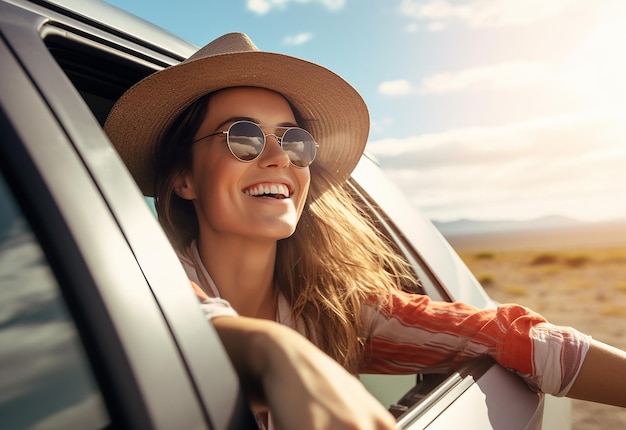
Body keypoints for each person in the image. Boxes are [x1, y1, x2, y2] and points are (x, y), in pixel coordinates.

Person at [104, 32, 626, 429]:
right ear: (184, 179)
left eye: (294, 139)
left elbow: (507, 338)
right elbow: (179, 315)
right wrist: (276, 352)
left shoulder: (340, 309)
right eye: (242, 136)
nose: (277, 156)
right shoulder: (140, 279)